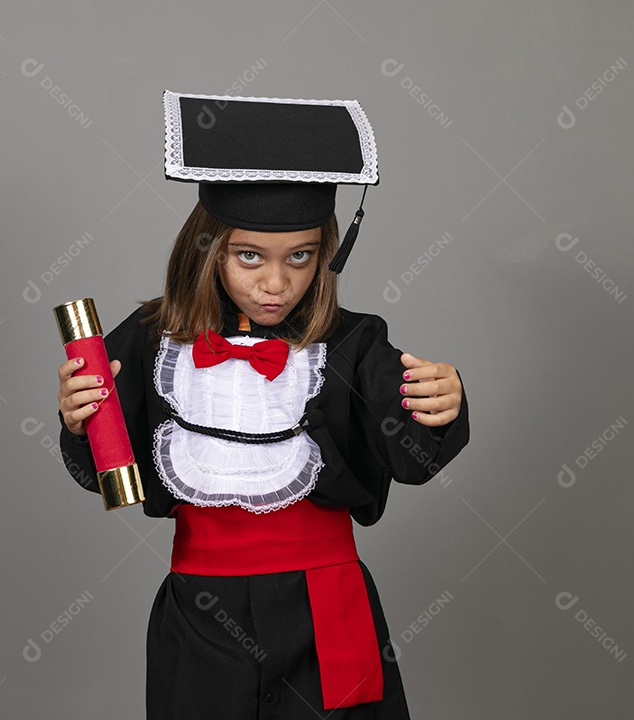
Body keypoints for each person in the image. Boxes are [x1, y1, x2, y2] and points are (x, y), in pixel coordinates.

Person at [54, 90, 471, 719]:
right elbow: (105, 476)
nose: (276, 283)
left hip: (325, 613)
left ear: (327, 252)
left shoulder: (355, 345)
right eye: (250, 256)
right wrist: (79, 420)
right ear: (208, 247)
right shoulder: (148, 339)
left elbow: (410, 458)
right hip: (202, 621)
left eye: (300, 257)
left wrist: (444, 402)